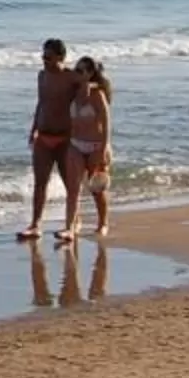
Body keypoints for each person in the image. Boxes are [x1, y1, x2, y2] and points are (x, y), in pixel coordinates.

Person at [18, 37, 78, 240]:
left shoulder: (72, 78)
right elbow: (41, 103)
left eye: (49, 57)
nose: (44, 61)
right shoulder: (42, 76)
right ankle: (35, 224)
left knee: (70, 183)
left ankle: (73, 222)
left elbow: (90, 96)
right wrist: (33, 129)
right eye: (43, 56)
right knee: (40, 182)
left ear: (61, 57)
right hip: (44, 135)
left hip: (66, 138)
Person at [60, 56, 113, 243]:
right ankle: (69, 227)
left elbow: (106, 124)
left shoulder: (97, 95)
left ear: (90, 74)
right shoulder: (73, 93)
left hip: (96, 146)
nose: (76, 73)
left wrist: (103, 149)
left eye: (81, 71)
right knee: (73, 189)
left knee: (96, 189)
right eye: (76, 69)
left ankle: (103, 223)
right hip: (76, 144)